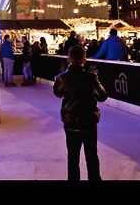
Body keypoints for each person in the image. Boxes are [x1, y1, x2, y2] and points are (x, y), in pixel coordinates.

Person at [53, 44, 107, 181]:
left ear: (68, 59)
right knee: (92, 156)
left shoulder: (61, 78)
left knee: (73, 157)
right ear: (84, 60)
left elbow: (57, 93)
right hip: (89, 122)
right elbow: (103, 96)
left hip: (71, 123)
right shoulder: (91, 78)